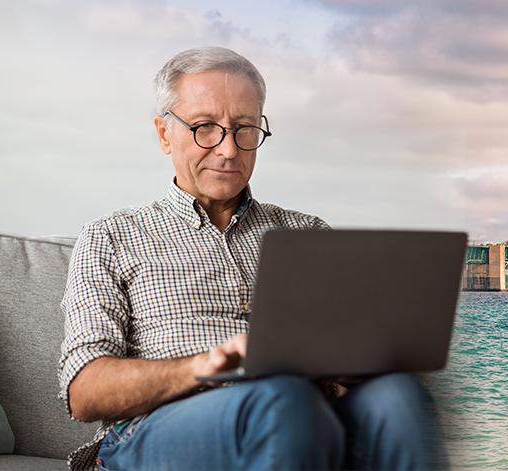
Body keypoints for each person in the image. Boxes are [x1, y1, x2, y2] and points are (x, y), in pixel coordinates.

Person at [57, 46, 446, 470]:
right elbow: (84, 391)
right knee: (282, 400)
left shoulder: (307, 233)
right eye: (205, 128)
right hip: (158, 427)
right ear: (164, 133)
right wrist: (203, 367)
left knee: (399, 397)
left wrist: (362, 363)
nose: (228, 150)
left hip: (304, 408)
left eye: (244, 129)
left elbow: (350, 352)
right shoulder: (112, 236)